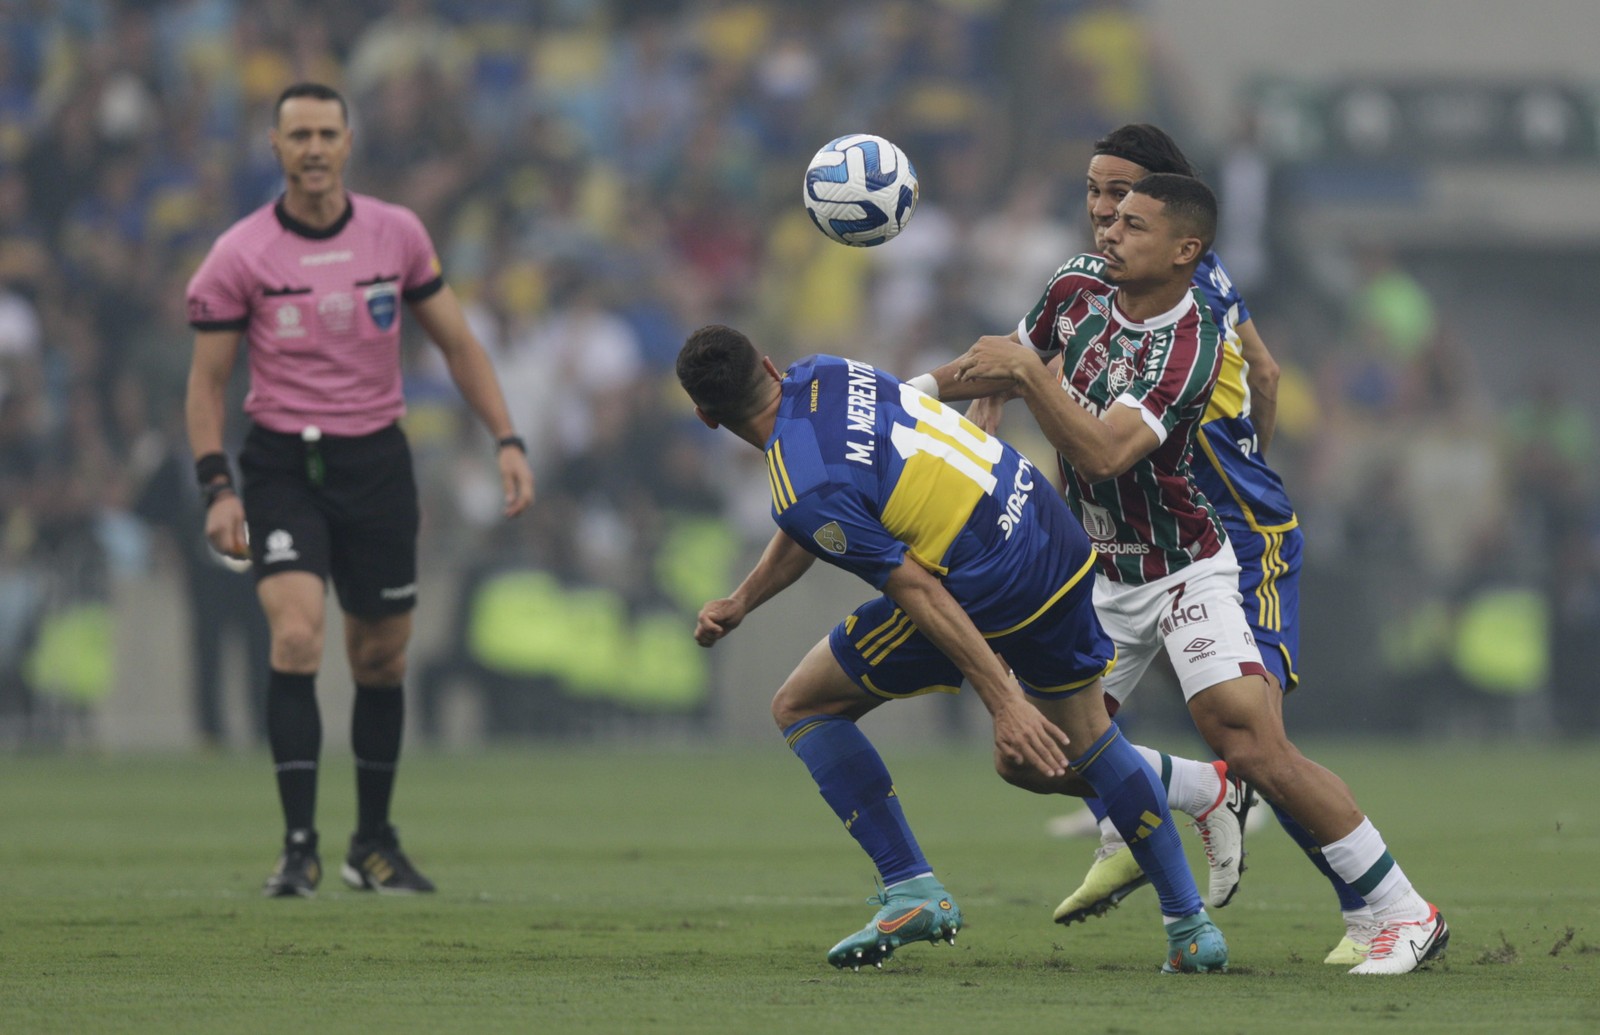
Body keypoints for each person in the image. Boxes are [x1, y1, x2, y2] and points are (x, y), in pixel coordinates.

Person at [932, 172, 1446, 975]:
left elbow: (1102, 449)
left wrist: (1028, 378)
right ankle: (1201, 792)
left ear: (1185, 249)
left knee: (1252, 738)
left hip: (1182, 568)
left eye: (1134, 224)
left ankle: (1402, 910)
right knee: (1027, 754)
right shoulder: (1074, 285)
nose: (1109, 230)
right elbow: (1001, 361)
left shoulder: (1194, 339)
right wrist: (908, 396)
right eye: (1109, 216)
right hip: (1099, 573)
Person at [678, 324, 1227, 973]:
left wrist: (1004, 701)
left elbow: (914, 585)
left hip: (986, 576)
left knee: (803, 704)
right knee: (1092, 737)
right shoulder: (826, 371)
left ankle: (911, 886)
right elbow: (823, 513)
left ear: (707, 418)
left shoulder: (801, 486)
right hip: (1047, 527)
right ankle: (1191, 927)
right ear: (768, 365)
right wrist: (743, 599)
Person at [1016, 124, 1375, 967]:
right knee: (1057, 729)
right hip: (1155, 532)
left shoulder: (1190, 291)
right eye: (1097, 192)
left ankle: (1372, 910)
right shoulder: (1105, 283)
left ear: (1171, 213)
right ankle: (1160, 813)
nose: (1104, 211)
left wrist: (1243, 473)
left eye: (1122, 196)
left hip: (1234, 531)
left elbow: (1266, 377)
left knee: (1258, 747)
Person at [184, 83, 535, 898]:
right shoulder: (238, 254)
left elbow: (458, 344)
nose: (312, 147)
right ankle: (298, 845)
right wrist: (218, 487)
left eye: (326, 133)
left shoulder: (397, 234)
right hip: (282, 466)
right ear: (273, 148)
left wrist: (506, 439)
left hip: (376, 462)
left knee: (381, 656)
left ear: (349, 144)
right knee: (297, 638)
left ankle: (371, 844)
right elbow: (206, 386)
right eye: (297, 134)